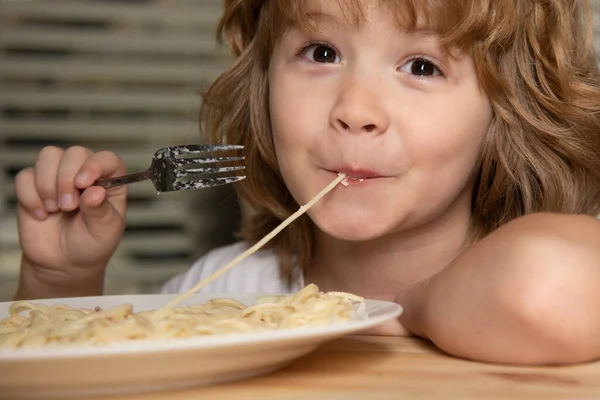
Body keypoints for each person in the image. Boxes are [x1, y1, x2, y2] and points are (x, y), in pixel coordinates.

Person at [12, 0, 600, 365]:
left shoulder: (552, 267)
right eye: (321, 52)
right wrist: (61, 281)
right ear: (262, 87)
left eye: (422, 66)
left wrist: (398, 312)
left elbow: (547, 284)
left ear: (511, 113)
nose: (355, 108)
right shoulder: (222, 291)